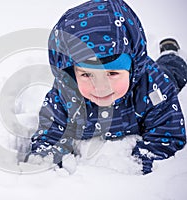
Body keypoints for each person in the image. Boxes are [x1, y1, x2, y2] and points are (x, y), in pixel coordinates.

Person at [25, 0, 187, 175]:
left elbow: (167, 134)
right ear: (72, 73)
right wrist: (46, 161)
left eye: (112, 74)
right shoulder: (65, 94)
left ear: (132, 69)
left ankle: (170, 53)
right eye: (87, 75)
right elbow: (50, 133)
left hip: (160, 74)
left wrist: (141, 163)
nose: (101, 87)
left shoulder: (153, 85)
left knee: (171, 72)